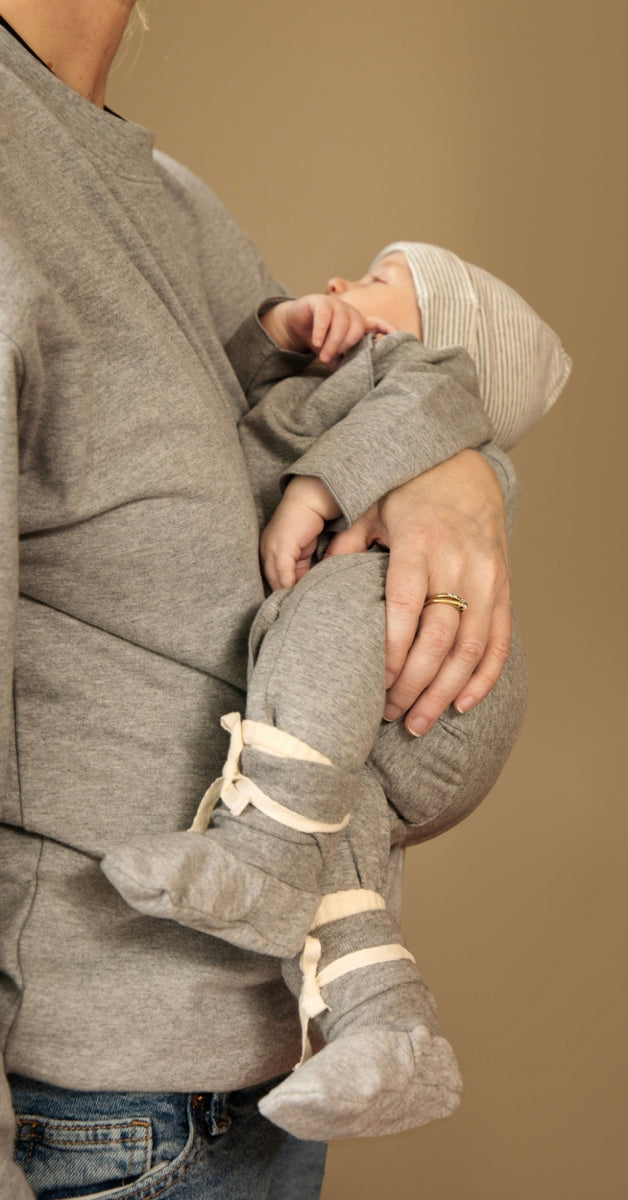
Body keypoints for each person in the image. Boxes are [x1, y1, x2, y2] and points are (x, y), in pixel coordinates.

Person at [0, 3, 566, 1197]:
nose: (336, 296)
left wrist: (457, 474)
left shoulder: (157, 191)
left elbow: (373, 394)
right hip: (115, 1088)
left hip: (257, 1051)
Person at [100, 242, 571, 1143]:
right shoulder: (305, 394)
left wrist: (322, 485)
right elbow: (223, 386)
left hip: (436, 689)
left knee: (333, 603)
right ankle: (388, 1031)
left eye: (383, 283)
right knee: (336, 826)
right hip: (369, 729)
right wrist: (278, 330)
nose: (347, 285)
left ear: (447, 347)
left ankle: (266, 852)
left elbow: (432, 388)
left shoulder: (423, 388)